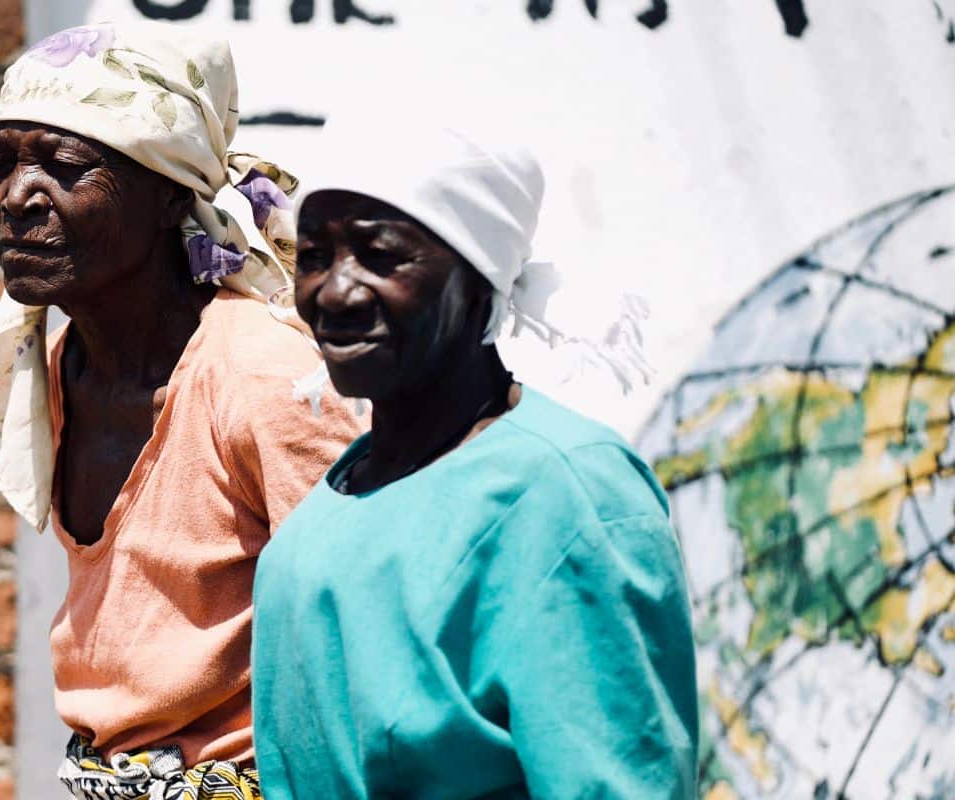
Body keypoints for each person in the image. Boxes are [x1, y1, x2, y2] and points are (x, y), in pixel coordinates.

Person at [0, 22, 365, 799]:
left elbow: (356, 640)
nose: (16, 198)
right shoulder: (59, 366)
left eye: (64, 168)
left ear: (168, 195)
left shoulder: (263, 378)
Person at [250, 119, 698, 799]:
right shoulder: (322, 517)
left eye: (380, 256)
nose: (334, 291)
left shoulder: (566, 492)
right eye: (313, 256)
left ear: (479, 279)